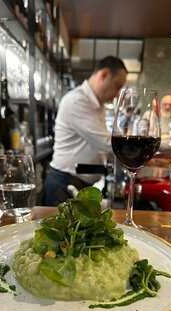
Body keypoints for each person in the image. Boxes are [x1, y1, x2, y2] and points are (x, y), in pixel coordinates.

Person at [44, 56, 128, 206]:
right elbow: (106, 142)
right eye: (117, 86)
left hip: (79, 182)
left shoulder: (97, 104)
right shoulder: (77, 101)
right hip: (65, 184)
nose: (117, 94)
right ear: (104, 75)